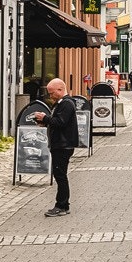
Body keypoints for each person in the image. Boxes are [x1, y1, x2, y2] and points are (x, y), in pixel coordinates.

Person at [33, 77, 78, 216]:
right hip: (60, 144)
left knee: (60, 175)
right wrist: (46, 122)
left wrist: (45, 118)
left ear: (60, 89)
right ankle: (63, 204)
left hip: (63, 145)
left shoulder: (66, 104)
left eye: (52, 93)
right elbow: (57, 122)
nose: (50, 96)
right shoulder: (60, 103)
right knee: (59, 174)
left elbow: (61, 122)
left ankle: (62, 205)